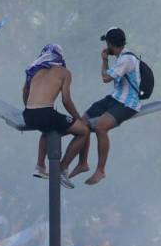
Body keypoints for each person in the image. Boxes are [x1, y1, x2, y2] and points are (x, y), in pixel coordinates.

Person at [75, 27, 143, 185]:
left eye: (107, 43)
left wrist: (104, 60)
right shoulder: (120, 58)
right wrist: (106, 60)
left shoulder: (126, 59)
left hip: (129, 103)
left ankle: (100, 171)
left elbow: (105, 78)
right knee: (82, 122)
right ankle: (82, 163)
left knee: (100, 127)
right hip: (115, 98)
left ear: (111, 44)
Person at [21, 43, 89, 184]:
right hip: (45, 113)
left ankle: (40, 166)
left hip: (28, 114)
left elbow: (25, 92)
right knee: (83, 131)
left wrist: (31, 107)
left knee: (48, 130)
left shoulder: (35, 70)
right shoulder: (64, 72)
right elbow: (66, 100)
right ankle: (61, 168)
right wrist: (78, 118)